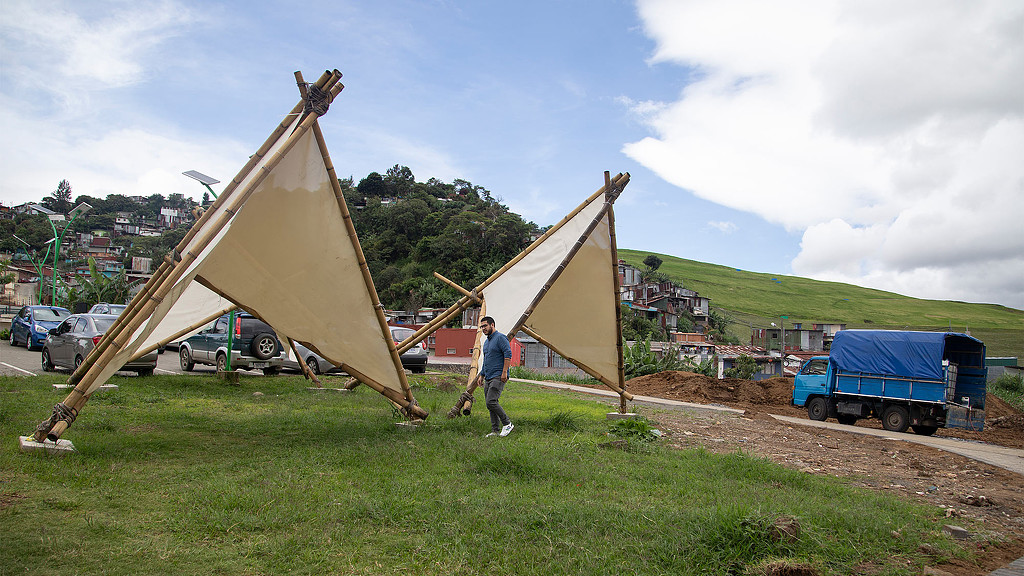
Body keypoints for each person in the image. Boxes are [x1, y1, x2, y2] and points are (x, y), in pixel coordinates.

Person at [476, 316, 513, 437]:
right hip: (488, 376)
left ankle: (507, 424)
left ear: (492, 325)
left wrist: (504, 372)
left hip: (498, 375)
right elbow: (487, 360)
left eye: (485, 326)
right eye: (482, 327)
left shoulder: (500, 338)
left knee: (491, 401)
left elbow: (508, 354)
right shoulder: (486, 342)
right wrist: (481, 375)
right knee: (490, 404)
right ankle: (495, 430)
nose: (483, 328)